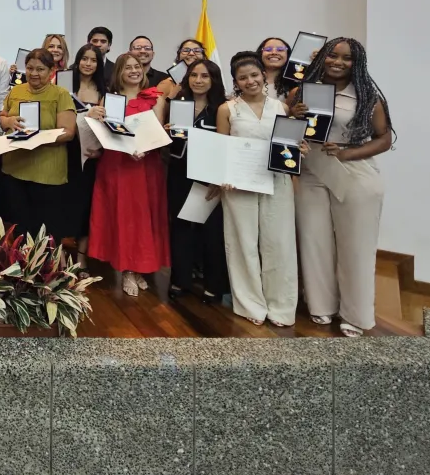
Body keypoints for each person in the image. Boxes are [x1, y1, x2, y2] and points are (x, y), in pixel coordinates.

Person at [291, 38, 393, 337]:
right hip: (312, 174)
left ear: (356, 63)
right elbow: (285, 134)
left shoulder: (367, 97)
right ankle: (321, 305)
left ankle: (356, 315)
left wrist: (348, 152)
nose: (338, 62)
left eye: (346, 58)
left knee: (356, 248)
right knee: (314, 242)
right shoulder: (300, 92)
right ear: (321, 57)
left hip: (353, 174)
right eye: (332, 55)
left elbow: (384, 139)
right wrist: (292, 117)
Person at [215, 52, 304, 327]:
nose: (250, 81)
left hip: (276, 182)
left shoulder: (281, 107)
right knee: (242, 243)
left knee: (279, 243)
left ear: (263, 76)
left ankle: (281, 306)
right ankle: (250, 304)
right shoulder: (227, 109)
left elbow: (290, 146)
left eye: (254, 75)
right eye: (243, 77)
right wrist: (223, 177)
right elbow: (222, 149)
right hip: (239, 184)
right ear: (236, 82)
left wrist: (299, 149)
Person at [86, 54, 169, 296]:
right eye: (128, 68)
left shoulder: (156, 98)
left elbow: (157, 132)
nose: (134, 71)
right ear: (119, 73)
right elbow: (107, 132)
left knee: (145, 217)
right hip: (118, 163)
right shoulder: (110, 99)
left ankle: (139, 267)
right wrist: (92, 116)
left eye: (137, 67)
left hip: (146, 164)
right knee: (123, 215)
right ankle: (126, 269)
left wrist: (142, 147)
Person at [166, 59, 229, 302]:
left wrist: (219, 177)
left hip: (209, 175)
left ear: (213, 79)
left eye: (205, 76)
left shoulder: (222, 108)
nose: (198, 80)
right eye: (194, 75)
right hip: (179, 172)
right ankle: (180, 280)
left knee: (212, 230)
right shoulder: (177, 104)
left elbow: (226, 144)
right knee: (180, 226)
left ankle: (214, 284)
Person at [0, 49, 77, 240]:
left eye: (40, 69)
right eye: (30, 68)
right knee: (19, 229)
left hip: (47, 174)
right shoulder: (16, 90)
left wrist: (38, 138)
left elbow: (68, 132)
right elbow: (2, 116)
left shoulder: (61, 94)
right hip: (15, 170)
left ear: (51, 71)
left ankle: (45, 269)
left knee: (46, 231)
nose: (34, 73)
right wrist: (8, 122)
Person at [65, 44, 106, 256]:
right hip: (64, 152)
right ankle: (60, 255)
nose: (88, 64)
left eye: (93, 60)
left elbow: (109, 126)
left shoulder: (103, 90)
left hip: (90, 156)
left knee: (85, 204)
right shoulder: (64, 83)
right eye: (84, 59)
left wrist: (101, 152)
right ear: (77, 60)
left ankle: (81, 257)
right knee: (64, 203)